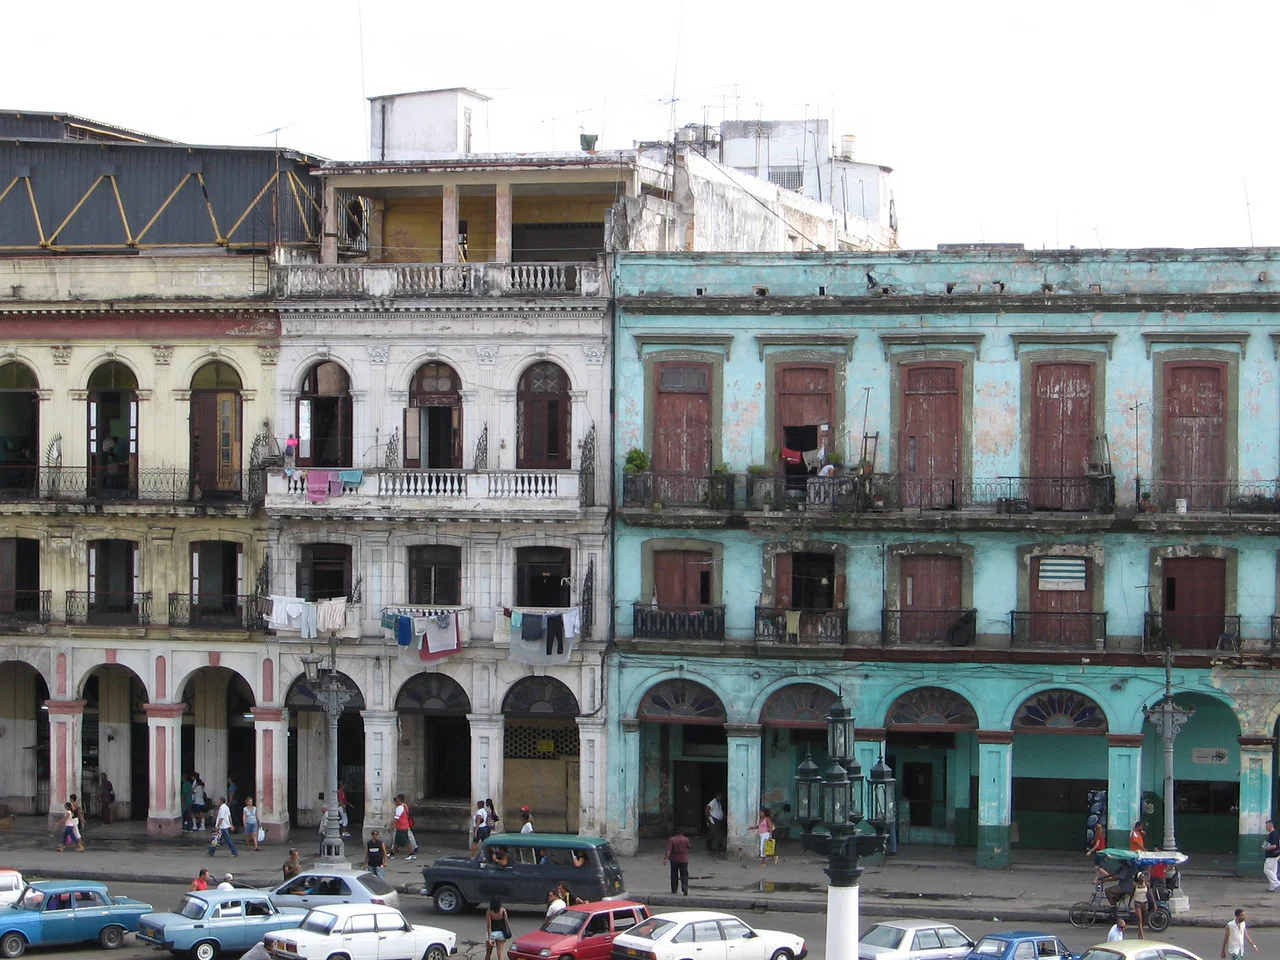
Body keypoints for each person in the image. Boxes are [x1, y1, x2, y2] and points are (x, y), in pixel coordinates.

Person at [663, 827, 690, 896]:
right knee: (684, 875)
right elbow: (688, 847)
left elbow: (668, 850)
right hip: (684, 860)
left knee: (674, 875)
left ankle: (674, 890)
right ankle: (685, 888)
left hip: (674, 860)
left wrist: (665, 859)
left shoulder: (672, 839)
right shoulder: (686, 839)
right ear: (682, 832)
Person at [1132, 871, 1153, 939]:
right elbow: (1132, 894)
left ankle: (1140, 932)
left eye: (1143, 877)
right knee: (1139, 919)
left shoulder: (1147, 884)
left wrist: (1154, 904)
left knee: (1144, 919)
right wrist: (1129, 902)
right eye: (1141, 877)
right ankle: (1142, 936)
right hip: (1137, 903)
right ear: (1138, 878)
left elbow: (1150, 894)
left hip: (1144, 903)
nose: (1143, 878)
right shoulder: (1135, 885)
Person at [1264, 819, 1280, 891]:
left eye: (1266, 826)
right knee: (1273, 871)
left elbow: (1274, 846)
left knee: (1267, 870)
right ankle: (1272, 887)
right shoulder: (1276, 833)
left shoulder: (1273, 834)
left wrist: (1266, 848)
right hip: (1276, 854)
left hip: (1271, 855)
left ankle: (1276, 883)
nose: (1266, 828)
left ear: (1270, 826)